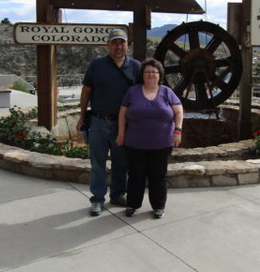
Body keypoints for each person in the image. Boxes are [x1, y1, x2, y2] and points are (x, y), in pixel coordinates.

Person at [77, 29, 140, 216]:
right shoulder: (97, 64)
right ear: (108, 45)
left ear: (127, 45)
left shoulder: (136, 67)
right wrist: (82, 116)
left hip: (123, 125)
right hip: (98, 121)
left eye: (122, 43)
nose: (118, 46)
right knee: (98, 163)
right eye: (114, 42)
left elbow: (141, 95)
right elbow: (86, 91)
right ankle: (97, 199)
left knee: (122, 162)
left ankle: (118, 194)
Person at [116, 58, 183, 219]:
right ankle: (133, 204)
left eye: (154, 72)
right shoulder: (132, 92)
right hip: (134, 143)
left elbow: (179, 112)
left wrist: (178, 131)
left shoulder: (167, 92)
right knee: (135, 175)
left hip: (162, 144)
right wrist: (121, 134)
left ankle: (158, 206)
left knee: (158, 176)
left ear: (160, 75)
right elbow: (122, 114)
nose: (151, 74)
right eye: (147, 72)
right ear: (142, 75)